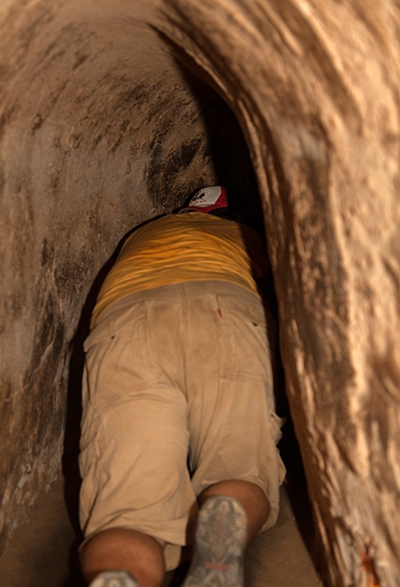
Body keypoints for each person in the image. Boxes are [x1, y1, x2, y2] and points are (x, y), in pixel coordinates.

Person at [78, 186, 286, 587]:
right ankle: (225, 510)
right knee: (239, 467)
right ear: (234, 215)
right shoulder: (249, 236)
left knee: (126, 510)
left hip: (126, 322)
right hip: (226, 310)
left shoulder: (145, 232)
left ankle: (120, 574)